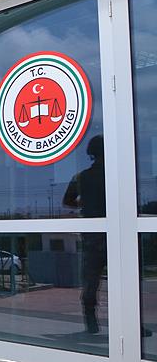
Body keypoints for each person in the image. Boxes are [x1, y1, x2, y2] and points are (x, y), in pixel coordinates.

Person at [63, 135, 106, 334]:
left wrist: (85, 204)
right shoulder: (116, 173)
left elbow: (67, 200)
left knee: (91, 279)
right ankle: (132, 322)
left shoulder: (81, 176)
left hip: (92, 235)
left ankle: (90, 320)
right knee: (125, 277)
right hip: (112, 234)